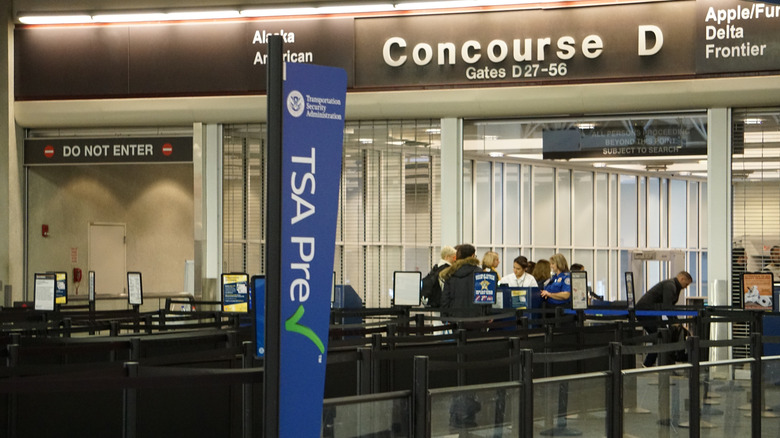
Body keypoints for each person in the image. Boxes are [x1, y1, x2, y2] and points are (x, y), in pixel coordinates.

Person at [635, 271, 693, 367]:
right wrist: (675, 322)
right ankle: (649, 364)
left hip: (651, 312)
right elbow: (668, 307)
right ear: (682, 279)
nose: (686, 287)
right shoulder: (670, 286)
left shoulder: (673, 286)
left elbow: (670, 308)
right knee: (661, 336)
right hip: (646, 312)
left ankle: (650, 363)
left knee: (662, 335)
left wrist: (676, 322)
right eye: (686, 284)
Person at [440, 244, 483, 317]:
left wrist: (444, 315)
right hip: (477, 316)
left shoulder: (451, 273)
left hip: (455, 316)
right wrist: (488, 314)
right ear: (472, 256)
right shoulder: (480, 273)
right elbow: (485, 296)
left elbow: (446, 297)